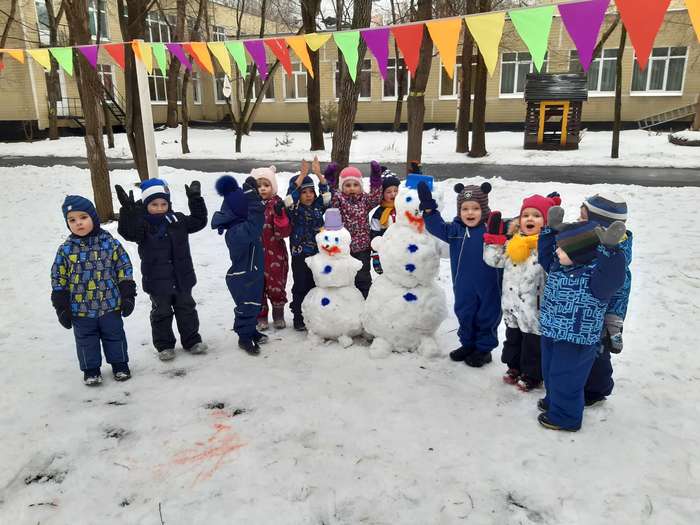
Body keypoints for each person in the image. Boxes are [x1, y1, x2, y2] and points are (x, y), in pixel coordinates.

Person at [537, 206, 627, 431]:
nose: (556, 253)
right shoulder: (558, 267)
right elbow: (544, 256)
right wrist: (550, 231)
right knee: (550, 371)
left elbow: (614, 276)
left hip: (577, 338)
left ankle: (565, 417)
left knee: (566, 378)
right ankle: (554, 402)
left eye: (562, 249)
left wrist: (610, 250)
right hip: (551, 330)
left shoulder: (596, 279)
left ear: (580, 254)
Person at [116, 178, 208, 362]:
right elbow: (128, 232)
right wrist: (128, 212)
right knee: (161, 313)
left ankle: (191, 340)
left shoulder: (178, 220)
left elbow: (199, 221)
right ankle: (165, 345)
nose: (159, 207)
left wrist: (195, 199)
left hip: (182, 278)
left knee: (187, 309)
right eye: (154, 204)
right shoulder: (142, 226)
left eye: (163, 203)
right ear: (146, 204)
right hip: (157, 282)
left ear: (169, 203)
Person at [51, 195, 136, 385]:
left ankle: (120, 365)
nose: (78, 223)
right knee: (85, 341)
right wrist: (61, 306)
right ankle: (91, 370)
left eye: (83, 217)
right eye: (72, 220)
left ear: (93, 218)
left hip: (110, 305)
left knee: (114, 336)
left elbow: (124, 268)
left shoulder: (110, 243)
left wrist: (128, 293)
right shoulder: (65, 250)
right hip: (80, 310)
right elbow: (59, 278)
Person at [417, 181, 502, 367]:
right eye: (465, 209)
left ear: (484, 209)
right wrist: (430, 210)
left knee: (486, 315)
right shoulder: (455, 230)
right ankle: (468, 344)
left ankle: (483, 349)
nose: (470, 213)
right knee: (465, 313)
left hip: (489, 286)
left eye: (475, 208)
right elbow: (436, 227)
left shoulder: (491, 229)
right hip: (463, 285)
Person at [483, 193, 560, 390]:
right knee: (513, 338)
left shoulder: (547, 246)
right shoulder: (513, 242)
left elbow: (555, 267)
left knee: (533, 343)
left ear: (545, 221)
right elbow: (494, 260)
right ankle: (514, 366)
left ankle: (533, 374)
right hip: (511, 305)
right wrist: (493, 239)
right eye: (526, 215)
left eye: (536, 215)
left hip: (534, 307)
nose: (530, 219)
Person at [579, 194, 632, 406]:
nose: (578, 221)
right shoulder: (593, 242)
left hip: (604, 315)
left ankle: (596, 390)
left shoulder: (615, 255)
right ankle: (581, 382)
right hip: (587, 310)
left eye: (583, 219)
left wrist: (613, 322)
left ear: (600, 224)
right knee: (585, 351)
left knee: (598, 353)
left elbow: (620, 291)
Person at [212, 175, 267, 355]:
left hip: (252, 272)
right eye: (247, 206)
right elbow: (255, 224)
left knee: (254, 304)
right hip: (242, 277)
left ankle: (251, 330)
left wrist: (254, 198)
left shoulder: (242, 225)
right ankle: (244, 338)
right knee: (247, 306)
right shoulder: (236, 232)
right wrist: (253, 201)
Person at [283, 157, 332, 331]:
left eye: (311, 191)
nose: (309, 195)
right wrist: (302, 175)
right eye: (304, 192)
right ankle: (298, 316)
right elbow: (289, 197)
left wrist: (319, 174)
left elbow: (327, 195)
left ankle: (314, 315)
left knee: (316, 285)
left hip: (319, 253)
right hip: (300, 255)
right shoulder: (294, 209)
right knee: (301, 285)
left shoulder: (319, 205)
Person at [325, 161, 383, 298]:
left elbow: (376, 197)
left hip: (362, 247)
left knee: (363, 277)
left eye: (355, 185)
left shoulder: (365, 200)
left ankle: (364, 300)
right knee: (345, 277)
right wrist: (329, 178)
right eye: (348, 185)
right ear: (341, 186)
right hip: (344, 247)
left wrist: (375, 176)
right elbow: (331, 196)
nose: (352, 188)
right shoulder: (339, 199)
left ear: (360, 186)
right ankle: (347, 301)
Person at [251, 166, 292, 331]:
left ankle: (278, 314)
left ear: (272, 187)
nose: (262, 188)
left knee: (276, 285)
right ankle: (261, 317)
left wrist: (280, 216)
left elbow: (285, 232)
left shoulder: (277, 203)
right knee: (257, 286)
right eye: (259, 185)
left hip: (275, 254)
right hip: (254, 254)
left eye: (266, 185)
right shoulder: (250, 206)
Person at [369, 169, 400, 274]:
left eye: (396, 190)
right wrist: (376, 255)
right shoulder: (378, 213)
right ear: (382, 194)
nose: (393, 194)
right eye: (389, 192)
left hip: (403, 249)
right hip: (387, 251)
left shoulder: (403, 208)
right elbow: (375, 235)